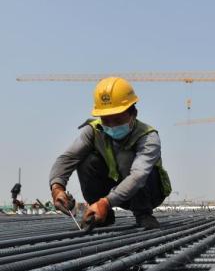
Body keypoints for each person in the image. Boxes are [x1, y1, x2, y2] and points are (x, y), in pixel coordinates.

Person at [49, 77, 172, 230]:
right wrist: (57, 188)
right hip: (113, 193)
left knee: (131, 160)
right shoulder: (93, 131)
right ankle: (102, 216)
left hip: (147, 193)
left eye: (118, 119)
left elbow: (138, 176)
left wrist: (105, 203)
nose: (112, 125)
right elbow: (68, 158)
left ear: (133, 113)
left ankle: (143, 214)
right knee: (87, 160)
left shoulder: (148, 137)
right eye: (106, 120)